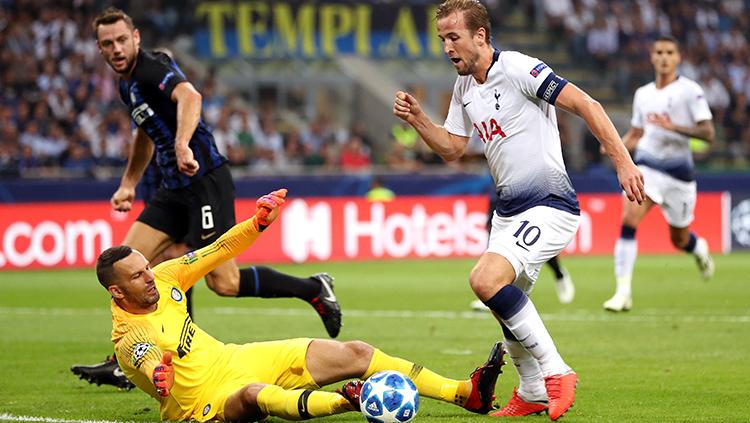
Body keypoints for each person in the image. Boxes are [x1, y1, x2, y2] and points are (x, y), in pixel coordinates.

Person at [392, 0, 644, 420]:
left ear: (480, 36)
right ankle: (530, 390)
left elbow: (588, 105)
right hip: (508, 213)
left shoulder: (518, 69)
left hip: (550, 205)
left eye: (454, 37)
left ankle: (556, 371)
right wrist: (419, 119)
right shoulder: (464, 87)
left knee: (484, 278)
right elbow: (453, 148)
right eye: (442, 39)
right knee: (504, 302)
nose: (447, 47)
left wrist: (623, 161)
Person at [71, 8, 341, 389]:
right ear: (99, 48)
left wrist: (182, 143)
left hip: (203, 180)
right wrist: (128, 182)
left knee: (224, 282)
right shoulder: (126, 85)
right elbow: (145, 133)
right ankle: (134, 358)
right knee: (125, 266)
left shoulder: (150, 69)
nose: (116, 48)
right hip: (173, 189)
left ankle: (313, 288)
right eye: (107, 43)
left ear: (136, 38)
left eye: (121, 40)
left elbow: (190, 96)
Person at [96, 188, 506, 421]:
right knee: (256, 395)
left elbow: (218, 250)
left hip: (234, 358)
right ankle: (346, 400)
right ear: (117, 292)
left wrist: (257, 222)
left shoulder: (166, 276)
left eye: (147, 267)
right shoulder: (128, 333)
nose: (149, 277)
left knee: (357, 352)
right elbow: (144, 355)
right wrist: (158, 374)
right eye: (138, 276)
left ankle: (464, 393)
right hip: (201, 404)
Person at [602, 36, 715, 312]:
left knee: (679, 239)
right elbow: (637, 133)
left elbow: (708, 132)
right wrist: (615, 146)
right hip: (647, 168)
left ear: (678, 58)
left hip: (679, 175)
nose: (664, 57)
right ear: (652, 57)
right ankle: (623, 292)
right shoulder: (643, 94)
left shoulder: (690, 91)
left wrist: (673, 127)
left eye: (669, 52)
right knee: (629, 219)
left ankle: (698, 248)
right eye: (659, 52)